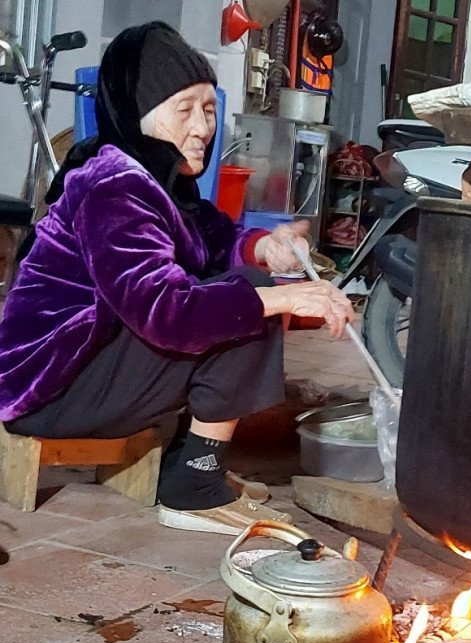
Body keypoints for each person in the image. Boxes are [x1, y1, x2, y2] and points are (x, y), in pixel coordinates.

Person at [0, 22, 355, 535]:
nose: (203, 127)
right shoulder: (114, 187)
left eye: (209, 109)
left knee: (247, 284)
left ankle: (193, 465)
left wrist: (265, 247)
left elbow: (215, 241)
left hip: (83, 371)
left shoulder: (156, 180)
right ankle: (194, 486)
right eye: (184, 109)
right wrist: (286, 297)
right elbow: (166, 314)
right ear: (138, 115)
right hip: (49, 390)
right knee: (249, 301)